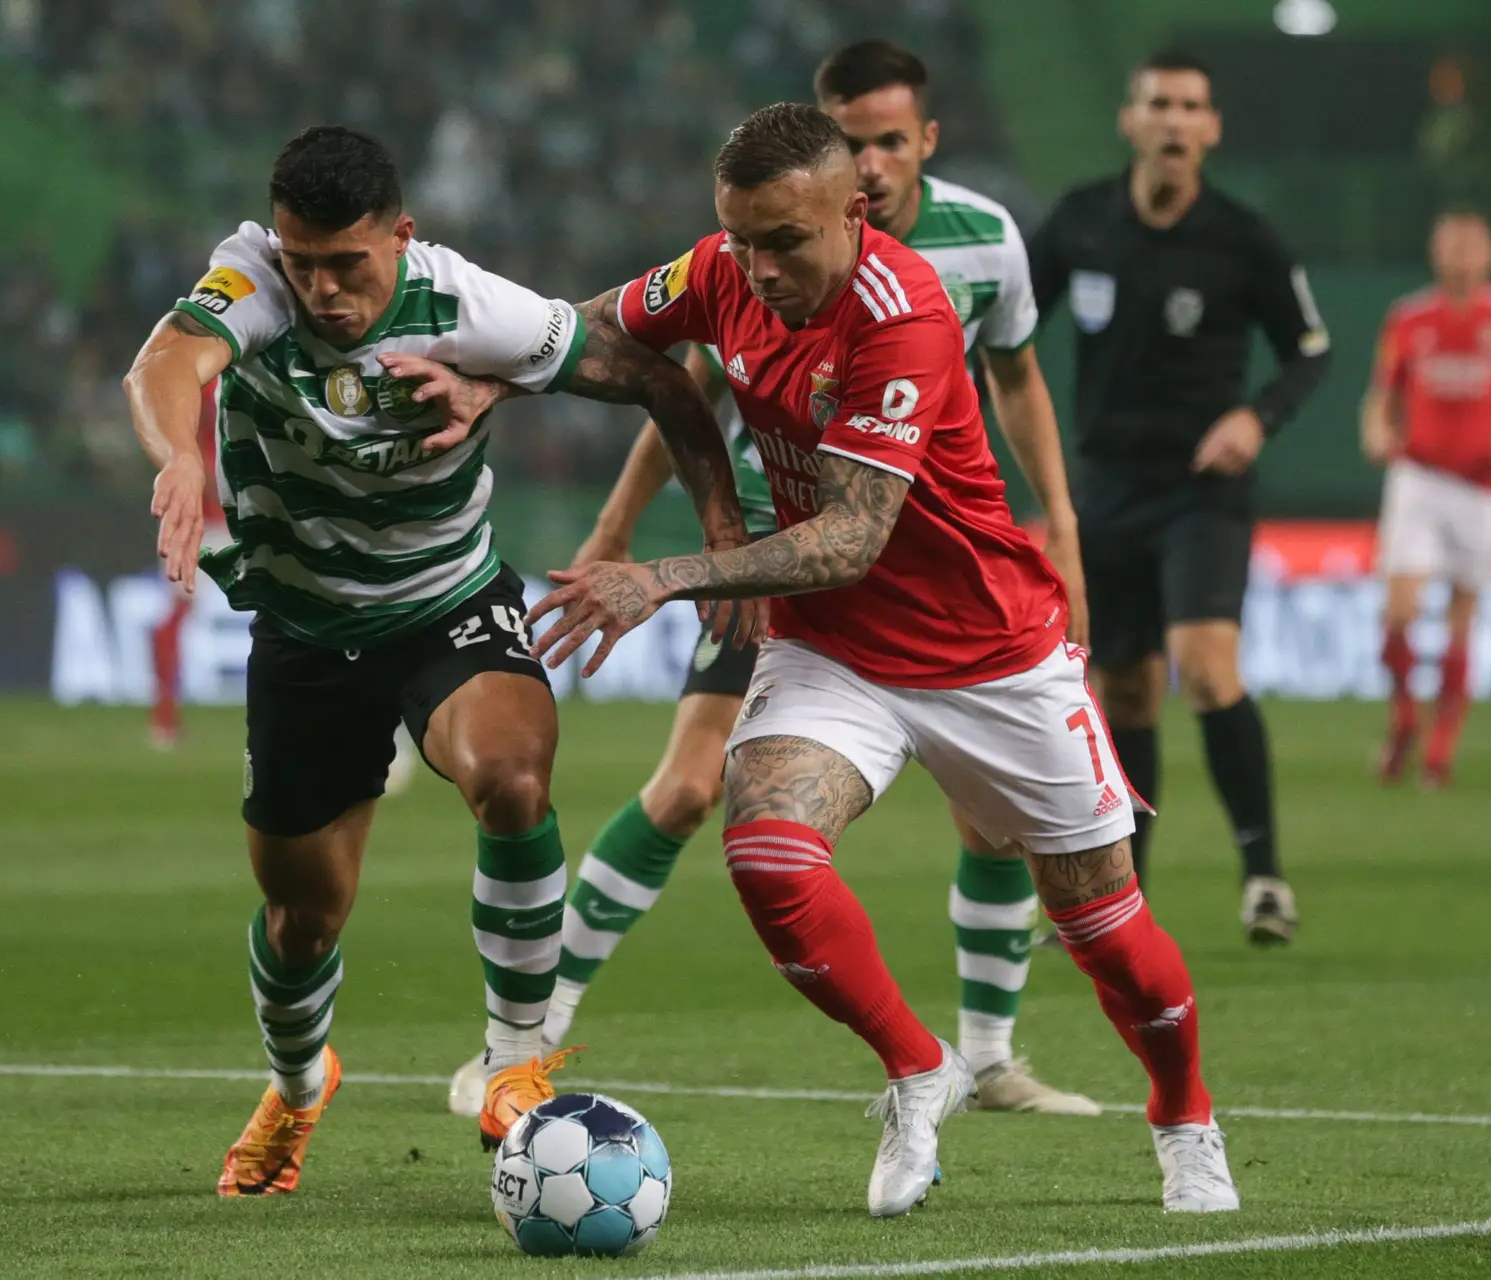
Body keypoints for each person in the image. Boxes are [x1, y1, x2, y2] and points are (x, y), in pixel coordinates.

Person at [407, 104, 1237, 1219]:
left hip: (991, 652)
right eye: (739, 238)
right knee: (767, 855)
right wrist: (491, 381)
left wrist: (661, 576)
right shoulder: (723, 272)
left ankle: (1185, 1117)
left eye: (785, 241)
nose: (758, 268)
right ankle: (916, 1064)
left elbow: (854, 533)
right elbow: (590, 326)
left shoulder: (905, 316)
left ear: (853, 210)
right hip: (835, 650)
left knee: (1109, 933)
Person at [447, 40, 1097, 1121]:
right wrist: (620, 529)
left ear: (925, 140)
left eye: (895, 139)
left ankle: (988, 1057)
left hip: (924, 569)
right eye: (859, 137)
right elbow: (675, 373)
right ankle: (534, 1023)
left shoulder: (983, 246)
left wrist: (1059, 523)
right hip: (764, 555)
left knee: (992, 820)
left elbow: (1017, 381)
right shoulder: (762, 247)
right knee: (690, 784)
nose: (878, 161)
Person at [122, 125, 755, 1196]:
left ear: (402, 238)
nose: (322, 288)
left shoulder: (471, 306)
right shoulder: (254, 280)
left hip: (445, 606)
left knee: (511, 778)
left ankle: (515, 1064)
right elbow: (166, 360)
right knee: (302, 911)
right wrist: (181, 448)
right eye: (303, 261)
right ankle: (297, 1079)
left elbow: (665, 384)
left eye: (348, 264)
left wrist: (723, 540)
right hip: (305, 628)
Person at [1028, 50, 1330, 945]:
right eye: (1157, 103)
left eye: (1189, 106)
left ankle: (1264, 875)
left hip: (1206, 492)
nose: (1172, 120)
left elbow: (1309, 348)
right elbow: (1009, 330)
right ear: (1131, 120)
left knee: (1204, 665)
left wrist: (1258, 416)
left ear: (1210, 129)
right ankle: (1125, 902)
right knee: (1122, 692)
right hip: (1104, 492)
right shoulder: (1081, 223)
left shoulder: (1244, 237)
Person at [1362, 210, 1491, 786]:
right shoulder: (1409, 316)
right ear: (1434, 253)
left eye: (1472, 244)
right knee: (1398, 610)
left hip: (1487, 488)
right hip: (1420, 478)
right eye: (1451, 243)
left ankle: (1439, 749)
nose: (1461, 254)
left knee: (1461, 616)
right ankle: (1404, 715)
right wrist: (1376, 431)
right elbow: (1380, 395)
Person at [146, 380, 422, 785]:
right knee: (184, 611)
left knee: (326, 616)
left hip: (261, 514)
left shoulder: (258, 364)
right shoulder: (213, 371)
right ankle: (165, 717)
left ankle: (372, 727)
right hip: (216, 515)